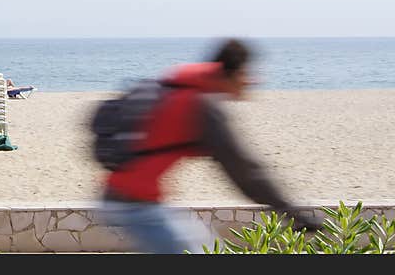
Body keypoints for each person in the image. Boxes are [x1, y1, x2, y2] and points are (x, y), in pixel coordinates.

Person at [97, 39, 322, 254]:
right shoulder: (201, 107)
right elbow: (245, 172)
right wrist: (292, 213)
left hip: (132, 200)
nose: (253, 81)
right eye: (247, 73)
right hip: (134, 207)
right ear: (231, 73)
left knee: (207, 245)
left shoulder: (182, 91)